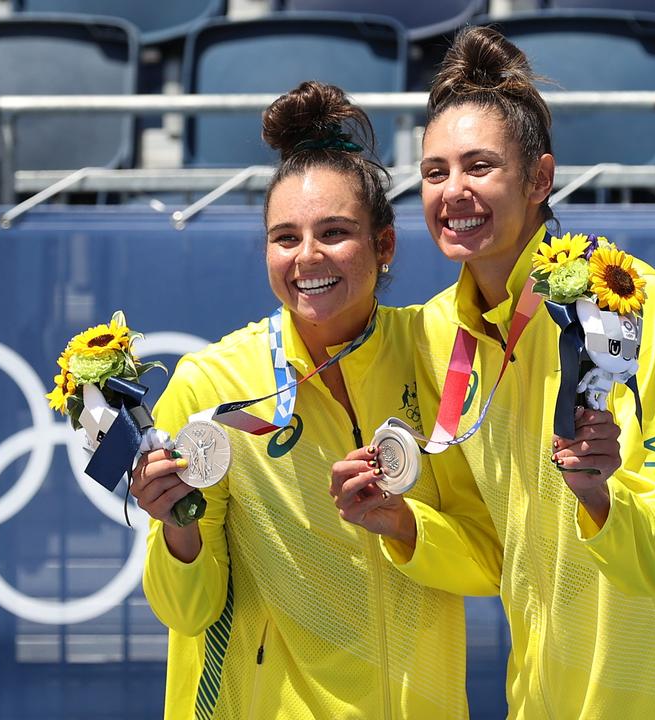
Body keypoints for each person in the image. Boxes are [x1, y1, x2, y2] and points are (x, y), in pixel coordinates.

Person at [373, 25, 655, 719]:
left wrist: (598, 495)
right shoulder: (434, 333)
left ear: (540, 178)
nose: (453, 191)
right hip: (551, 698)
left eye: (480, 166)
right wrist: (403, 524)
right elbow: (489, 552)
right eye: (434, 171)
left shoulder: (618, 298)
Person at [130, 81, 503, 719]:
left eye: (334, 232)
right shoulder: (210, 384)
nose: (307, 257)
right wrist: (175, 526)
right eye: (285, 237)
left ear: (384, 245)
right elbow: (184, 612)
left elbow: (487, 562)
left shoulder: (436, 354)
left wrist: (404, 523)